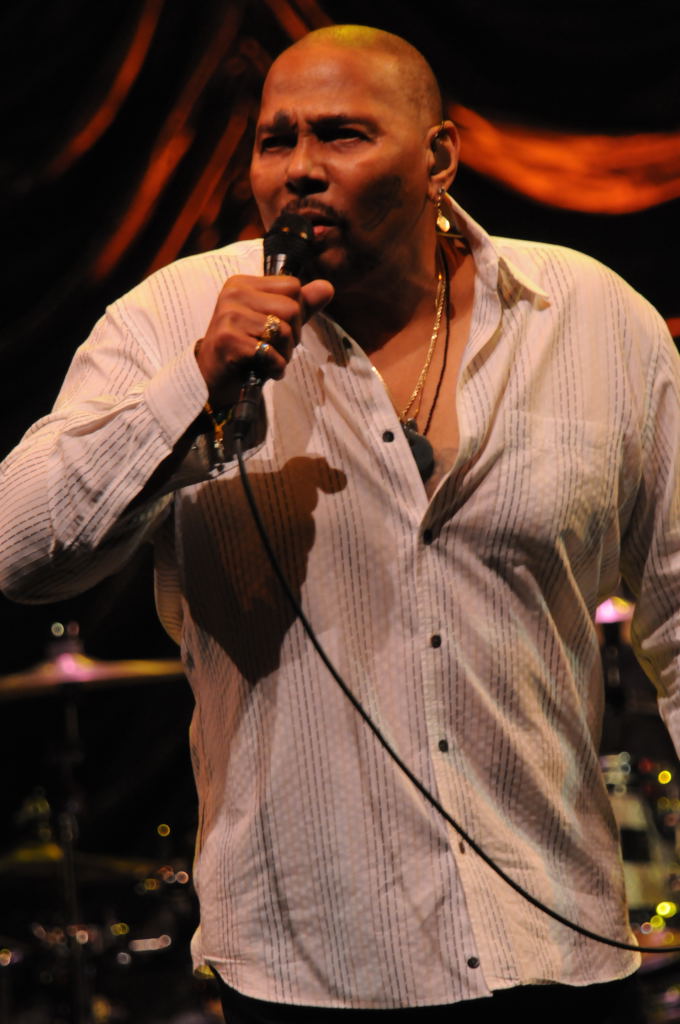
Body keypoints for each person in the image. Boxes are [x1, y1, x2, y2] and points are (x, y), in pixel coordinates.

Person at [0, 23, 677, 1023]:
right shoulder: (170, 321)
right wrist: (190, 391)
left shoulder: (589, 317)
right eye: (276, 140)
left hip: (557, 952)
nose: (300, 169)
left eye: (342, 135)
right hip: (306, 970)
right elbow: (19, 552)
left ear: (438, 157)